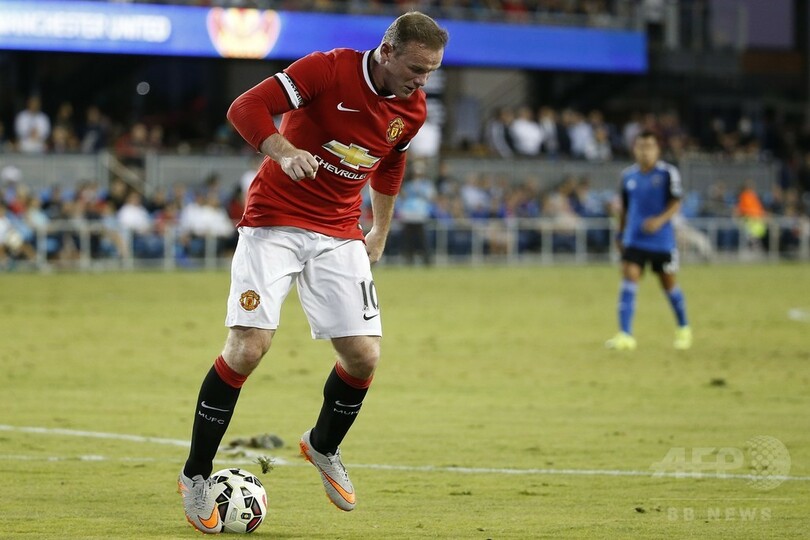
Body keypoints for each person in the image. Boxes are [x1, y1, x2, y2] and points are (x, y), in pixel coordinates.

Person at [177, 12, 448, 534]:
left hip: (340, 232)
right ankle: (195, 476)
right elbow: (245, 107)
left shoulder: (412, 109)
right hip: (274, 221)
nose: (422, 81)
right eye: (417, 68)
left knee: (364, 356)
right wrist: (282, 150)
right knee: (248, 347)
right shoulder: (328, 69)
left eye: (431, 71)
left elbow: (390, 162)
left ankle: (322, 445)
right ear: (387, 52)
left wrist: (380, 229)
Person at [605, 130, 692, 351]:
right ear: (635, 149)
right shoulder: (628, 176)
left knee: (668, 284)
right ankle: (625, 334)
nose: (645, 152)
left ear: (657, 150)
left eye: (649, 147)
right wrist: (620, 234)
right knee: (629, 279)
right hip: (634, 240)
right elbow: (625, 209)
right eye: (641, 147)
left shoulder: (668, 173)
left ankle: (683, 328)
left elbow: (676, 203)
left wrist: (659, 221)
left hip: (662, 242)